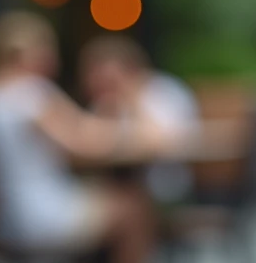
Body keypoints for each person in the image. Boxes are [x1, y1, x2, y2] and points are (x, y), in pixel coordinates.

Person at [0, 12, 171, 263]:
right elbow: (85, 143)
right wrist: (126, 113)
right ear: (25, 53)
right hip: (42, 216)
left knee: (102, 195)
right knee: (134, 208)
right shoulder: (31, 93)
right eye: (46, 50)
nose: (53, 60)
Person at [80, 35, 200, 203]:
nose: (99, 86)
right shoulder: (106, 102)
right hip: (120, 187)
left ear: (132, 71)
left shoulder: (165, 92)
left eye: (110, 80)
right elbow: (87, 146)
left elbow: (161, 143)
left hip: (166, 185)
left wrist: (131, 97)